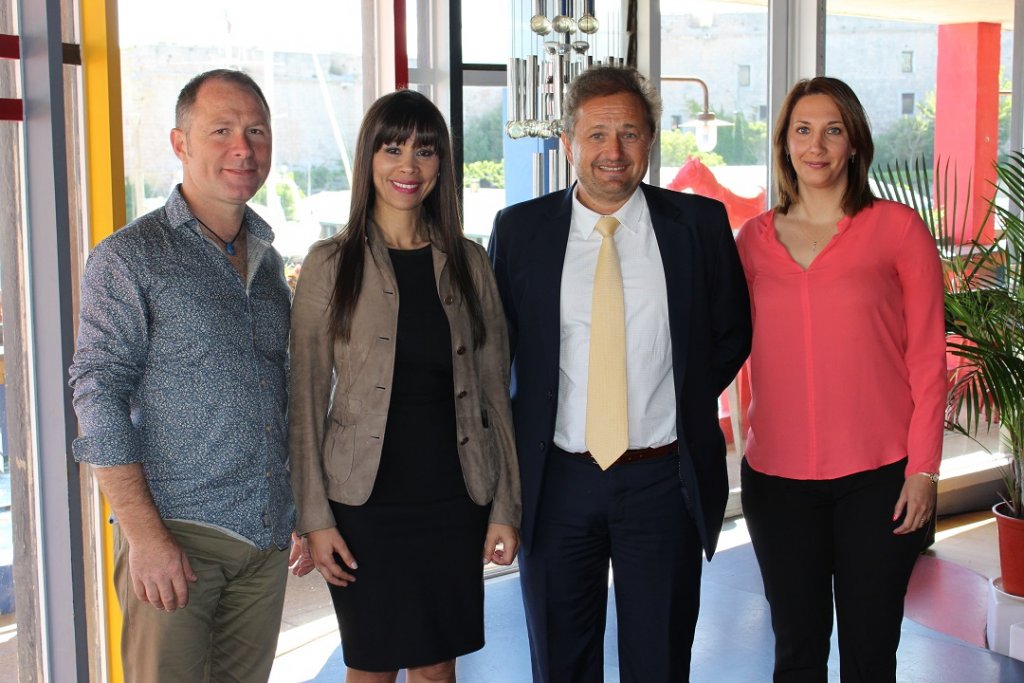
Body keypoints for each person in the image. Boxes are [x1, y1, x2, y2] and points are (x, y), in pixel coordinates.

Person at [488, 65, 752, 682]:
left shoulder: (699, 226)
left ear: (651, 142)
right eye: (598, 134)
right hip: (557, 483)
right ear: (568, 142)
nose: (614, 151)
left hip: (663, 481)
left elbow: (731, 332)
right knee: (560, 663)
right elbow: (494, 352)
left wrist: (677, 398)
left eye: (630, 134)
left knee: (659, 661)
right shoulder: (520, 232)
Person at [69, 69, 303, 682]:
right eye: (221, 130)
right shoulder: (129, 256)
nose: (243, 149)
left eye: (256, 131)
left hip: (264, 538)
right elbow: (97, 394)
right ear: (180, 144)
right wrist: (144, 537)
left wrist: (298, 509)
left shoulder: (269, 257)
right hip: (178, 537)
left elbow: (278, 392)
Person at [288, 89, 521, 683]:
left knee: (437, 666)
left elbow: (496, 394)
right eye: (392, 149)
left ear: (442, 163)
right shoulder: (329, 264)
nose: (407, 166)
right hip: (363, 506)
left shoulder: (470, 263)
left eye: (424, 150)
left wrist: (505, 507)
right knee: (369, 666)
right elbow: (307, 402)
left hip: (454, 497)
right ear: (369, 158)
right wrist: (314, 519)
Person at [735, 76, 947, 682]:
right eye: (803, 130)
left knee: (870, 651)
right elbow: (723, 347)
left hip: (880, 479)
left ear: (854, 142)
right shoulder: (752, 242)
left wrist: (924, 469)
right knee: (796, 652)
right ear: (785, 143)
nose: (817, 145)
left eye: (833, 130)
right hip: (776, 482)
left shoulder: (898, 230)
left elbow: (930, 359)